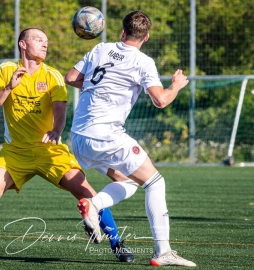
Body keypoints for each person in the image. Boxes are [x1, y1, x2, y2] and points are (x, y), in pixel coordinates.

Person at [0, 28, 134, 263]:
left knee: (87, 193)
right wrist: (9, 88)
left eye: (46, 41)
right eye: (39, 39)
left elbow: (60, 112)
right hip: (15, 152)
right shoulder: (6, 70)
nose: (45, 44)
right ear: (23, 44)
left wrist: (56, 131)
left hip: (50, 151)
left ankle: (117, 244)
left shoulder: (53, 76)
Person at [65, 11, 197, 267]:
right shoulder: (143, 62)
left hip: (79, 137)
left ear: (122, 32)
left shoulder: (100, 48)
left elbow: (70, 77)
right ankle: (164, 252)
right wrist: (177, 86)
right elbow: (160, 100)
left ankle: (94, 204)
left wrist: (100, 86)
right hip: (106, 136)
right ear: (146, 37)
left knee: (128, 181)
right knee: (155, 183)